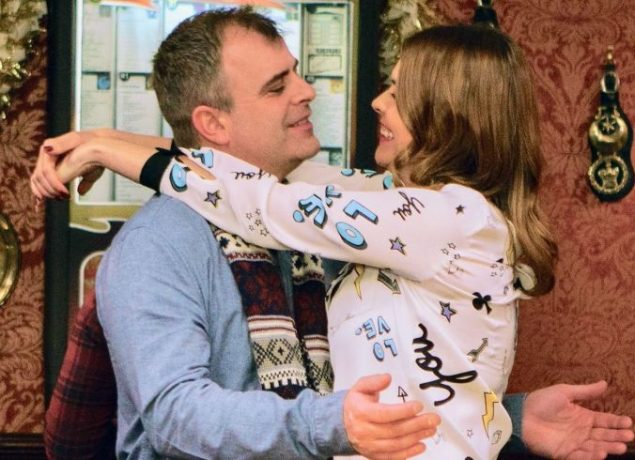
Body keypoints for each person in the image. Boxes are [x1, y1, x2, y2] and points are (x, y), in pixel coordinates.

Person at [32, 10, 634, 460]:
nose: (310, 91)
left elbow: (255, 198)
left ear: (447, 117)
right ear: (212, 123)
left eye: (296, 73)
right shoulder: (165, 240)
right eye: (278, 86)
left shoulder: (392, 217)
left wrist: (104, 146)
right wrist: (101, 142)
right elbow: (175, 417)